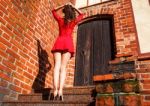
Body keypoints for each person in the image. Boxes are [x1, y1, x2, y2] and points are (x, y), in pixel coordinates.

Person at [51, 2, 84, 101]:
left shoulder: (60, 20)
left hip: (59, 42)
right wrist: (74, 7)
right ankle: (60, 90)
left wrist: (62, 5)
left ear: (64, 12)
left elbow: (53, 11)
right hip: (68, 43)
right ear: (72, 12)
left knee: (57, 67)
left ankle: (55, 90)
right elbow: (82, 15)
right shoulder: (73, 22)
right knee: (63, 68)